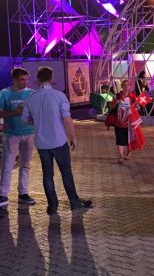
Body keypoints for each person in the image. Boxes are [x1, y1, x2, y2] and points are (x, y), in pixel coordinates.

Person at [21, 66, 92, 215]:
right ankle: (74, 202)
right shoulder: (59, 96)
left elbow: (25, 121)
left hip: (41, 143)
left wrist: (39, 120)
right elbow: (67, 119)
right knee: (66, 172)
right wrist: (73, 137)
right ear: (51, 78)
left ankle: (52, 205)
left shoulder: (30, 98)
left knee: (48, 175)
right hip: (58, 141)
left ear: (38, 79)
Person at [0, 68, 36, 207]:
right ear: (14, 79)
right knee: (8, 164)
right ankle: (3, 194)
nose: (25, 82)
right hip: (11, 134)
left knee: (25, 164)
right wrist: (15, 112)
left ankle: (23, 193)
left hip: (29, 132)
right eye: (22, 79)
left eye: (26, 79)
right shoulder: (4, 94)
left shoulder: (31, 93)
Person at [108, 79, 145, 162]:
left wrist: (132, 110)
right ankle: (121, 156)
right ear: (121, 87)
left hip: (129, 122)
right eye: (124, 85)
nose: (126, 87)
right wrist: (115, 103)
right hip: (118, 122)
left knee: (129, 139)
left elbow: (138, 107)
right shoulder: (117, 96)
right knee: (120, 140)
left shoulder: (132, 97)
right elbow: (111, 107)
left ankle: (129, 154)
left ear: (129, 86)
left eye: (127, 85)